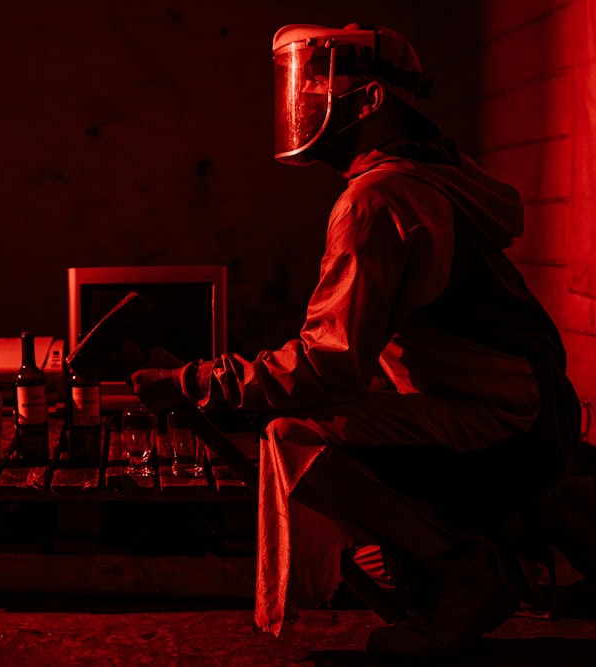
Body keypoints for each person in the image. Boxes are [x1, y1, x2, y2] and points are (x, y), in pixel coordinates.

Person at [130, 23, 585, 660]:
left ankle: (464, 573)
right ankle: (429, 555)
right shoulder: (430, 177)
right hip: (532, 414)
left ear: (369, 101)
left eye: (318, 86)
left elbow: (328, 362)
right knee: (336, 410)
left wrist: (193, 381)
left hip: (507, 428)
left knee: (292, 437)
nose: (303, 102)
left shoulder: (378, 198)